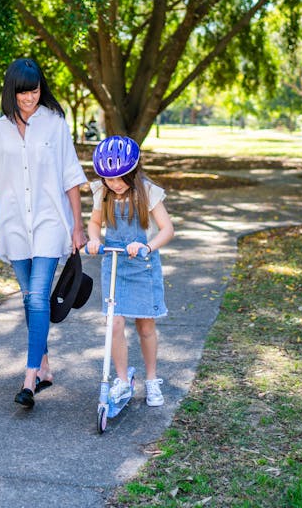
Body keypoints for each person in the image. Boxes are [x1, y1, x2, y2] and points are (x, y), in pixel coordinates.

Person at [0, 58, 87, 409]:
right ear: (12, 92)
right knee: (29, 298)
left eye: (36, 91)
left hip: (49, 221)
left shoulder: (55, 122)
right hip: (13, 224)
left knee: (39, 297)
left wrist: (78, 225)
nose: (30, 98)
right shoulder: (0, 129)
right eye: (23, 93)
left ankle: (28, 378)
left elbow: (71, 175)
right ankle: (45, 367)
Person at [85, 135, 175, 407]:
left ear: (133, 172)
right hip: (114, 264)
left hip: (143, 265)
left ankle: (151, 379)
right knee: (114, 323)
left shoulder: (147, 192)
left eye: (119, 178)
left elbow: (167, 229)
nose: (113, 184)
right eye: (108, 179)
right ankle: (122, 379)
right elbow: (95, 222)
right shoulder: (104, 193)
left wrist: (147, 246)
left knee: (145, 325)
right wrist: (93, 239)